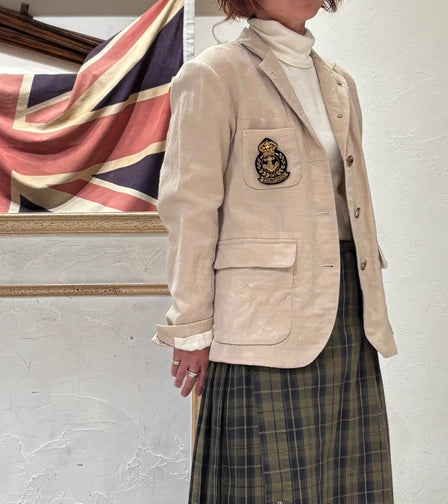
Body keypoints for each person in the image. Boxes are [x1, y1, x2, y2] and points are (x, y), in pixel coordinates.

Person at [154, 0, 398, 502]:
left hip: (348, 310)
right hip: (261, 317)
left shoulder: (339, 83)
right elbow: (190, 210)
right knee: (266, 485)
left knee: (347, 485)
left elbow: (347, 202)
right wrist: (190, 324)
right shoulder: (213, 75)